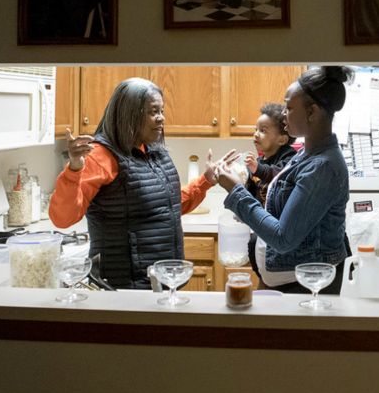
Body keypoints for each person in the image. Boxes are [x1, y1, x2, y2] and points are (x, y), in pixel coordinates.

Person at [49, 77, 236, 289]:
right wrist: (74, 169)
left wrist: (205, 181)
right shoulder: (100, 157)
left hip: (159, 283)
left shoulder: (152, 151)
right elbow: (63, 218)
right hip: (125, 287)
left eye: (162, 111)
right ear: (129, 114)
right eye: (153, 112)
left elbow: (169, 205)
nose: (161, 118)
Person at [217, 67, 352, 294]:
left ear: (312, 112)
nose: (283, 115)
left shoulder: (323, 166)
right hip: (287, 280)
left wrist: (236, 191)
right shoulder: (307, 153)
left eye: (289, 108)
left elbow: (283, 238)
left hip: (307, 286)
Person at [242, 102, 298, 273]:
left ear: (282, 139)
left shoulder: (290, 157)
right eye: (255, 129)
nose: (256, 134)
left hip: (279, 225)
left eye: (263, 130)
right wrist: (242, 180)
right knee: (253, 244)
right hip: (262, 223)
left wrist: (257, 169)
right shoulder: (260, 162)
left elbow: (278, 173)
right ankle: (260, 274)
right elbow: (252, 191)